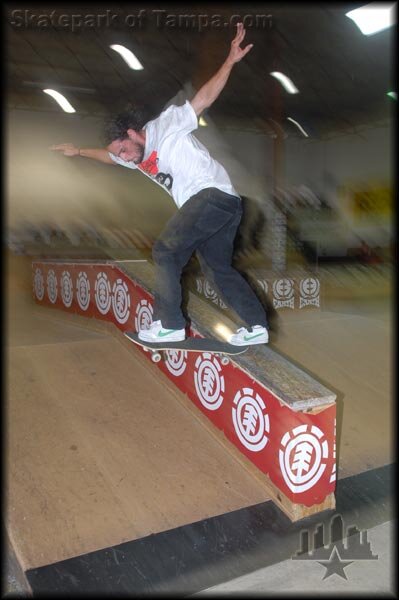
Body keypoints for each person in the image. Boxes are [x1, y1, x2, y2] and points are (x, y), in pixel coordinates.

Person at [50, 23, 269, 346]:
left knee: (165, 251)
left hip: (210, 194)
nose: (125, 157)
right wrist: (78, 151)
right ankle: (256, 326)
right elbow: (109, 158)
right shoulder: (128, 155)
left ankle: (170, 324)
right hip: (226, 205)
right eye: (120, 154)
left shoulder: (166, 125)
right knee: (217, 268)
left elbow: (204, 98)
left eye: (124, 148)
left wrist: (230, 61)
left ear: (135, 133)